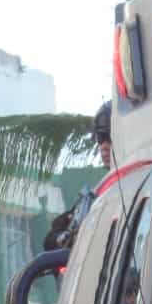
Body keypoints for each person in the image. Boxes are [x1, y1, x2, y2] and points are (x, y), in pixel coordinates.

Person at [42, 101, 113, 252]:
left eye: (110, 137)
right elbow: (51, 239)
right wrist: (65, 238)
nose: (104, 146)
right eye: (100, 138)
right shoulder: (99, 193)